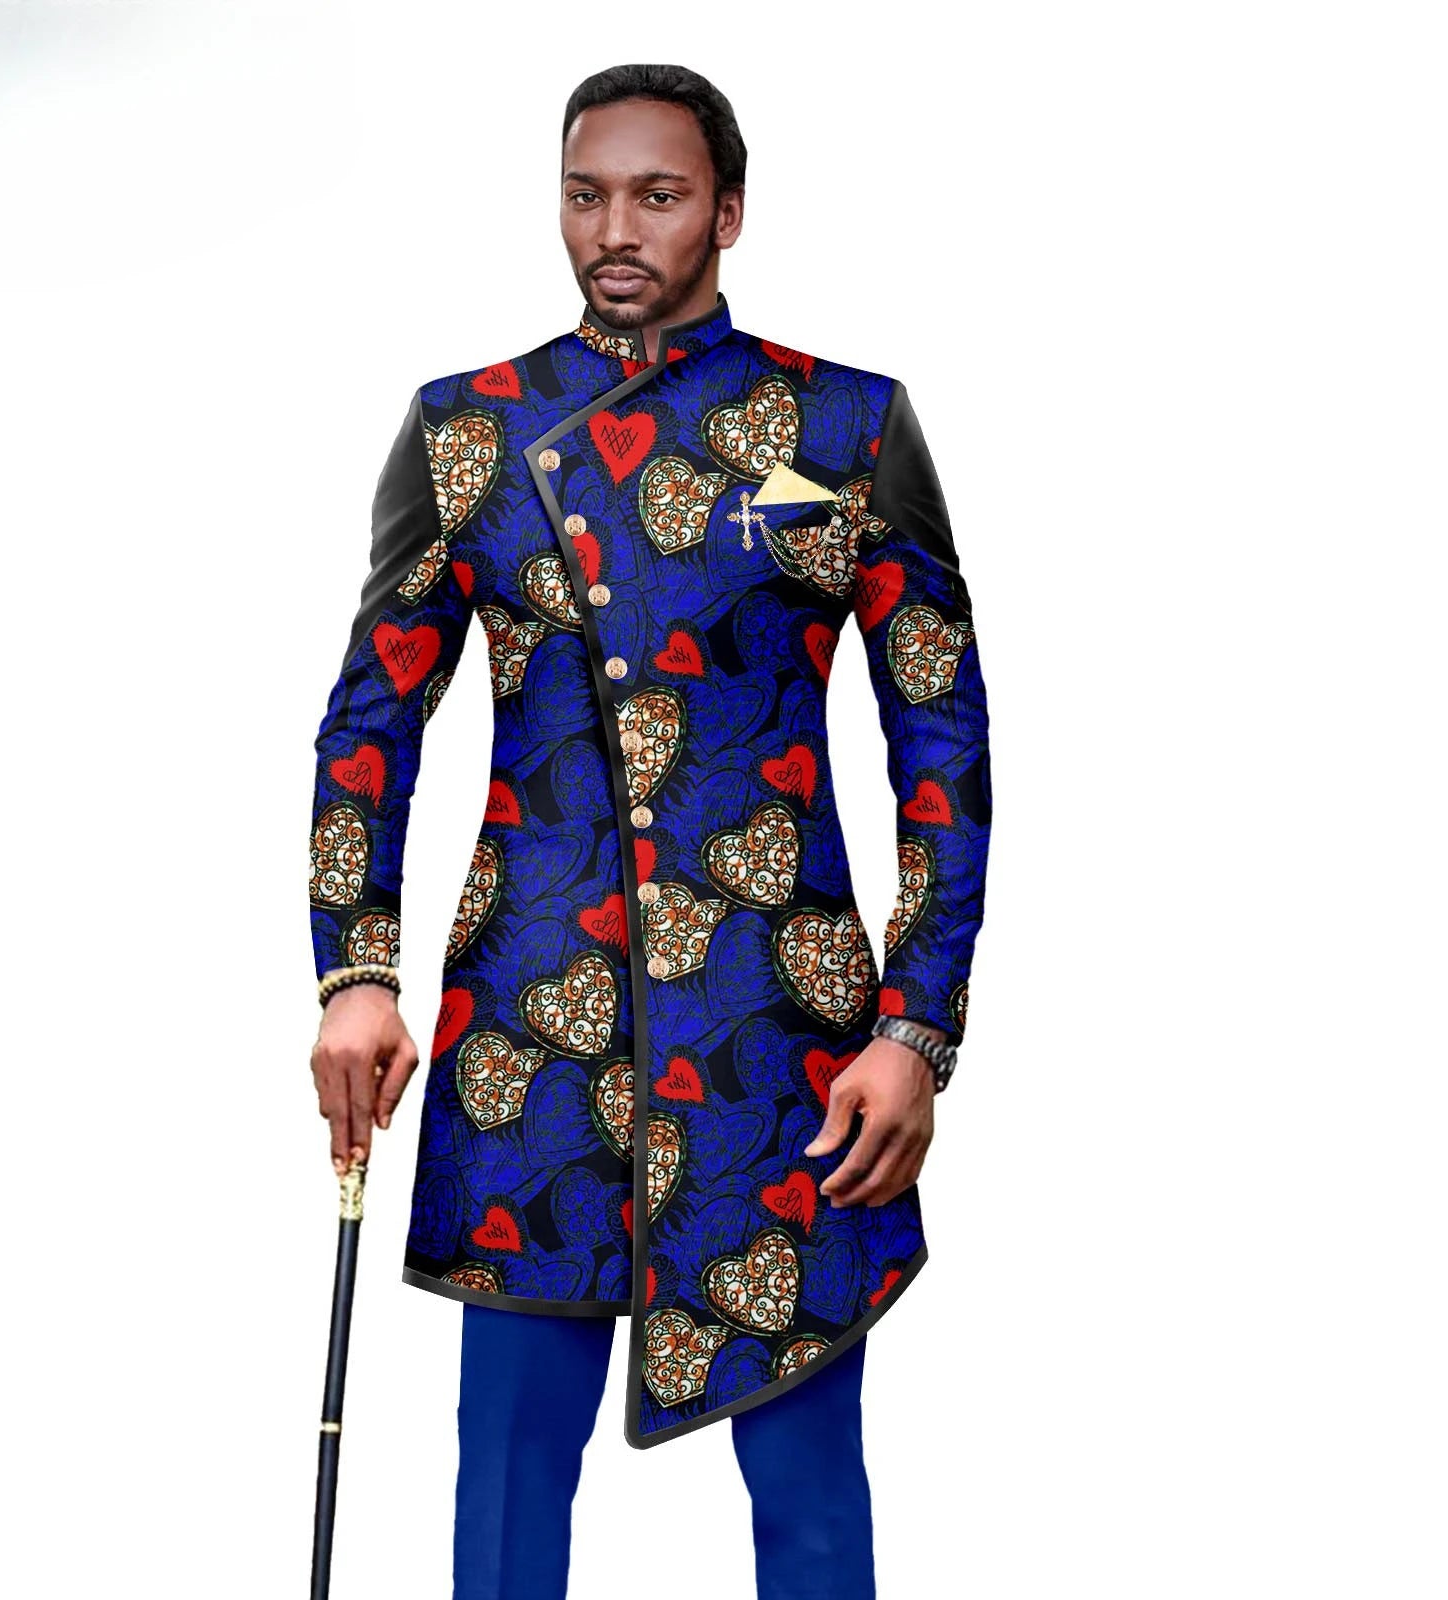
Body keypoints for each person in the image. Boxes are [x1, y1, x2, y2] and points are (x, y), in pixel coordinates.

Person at [307, 62, 992, 1600]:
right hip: (524, 1041)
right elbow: (368, 731)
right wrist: (355, 972)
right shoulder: (467, 433)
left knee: (812, 1495)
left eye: (658, 195)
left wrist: (916, 1028)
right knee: (503, 1488)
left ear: (728, 213)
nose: (616, 229)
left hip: (784, 1037)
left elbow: (944, 748)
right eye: (587, 194)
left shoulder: (847, 425)